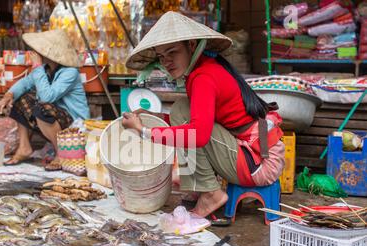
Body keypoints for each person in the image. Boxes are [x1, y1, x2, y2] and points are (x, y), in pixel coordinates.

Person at [122, 12, 285, 220]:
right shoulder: (204, 68)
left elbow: (198, 136)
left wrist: (143, 131)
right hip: (254, 152)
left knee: (185, 116)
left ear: (191, 45)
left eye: (172, 52)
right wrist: (155, 116)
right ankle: (201, 187)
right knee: (182, 109)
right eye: (162, 57)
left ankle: (210, 193)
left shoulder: (203, 78)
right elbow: (196, 119)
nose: (167, 62)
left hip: (260, 163)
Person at [0, 29, 90, 170]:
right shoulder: (46, 69)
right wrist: (8, 96)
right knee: (21, 99)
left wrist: (37, 66)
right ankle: (24, 147)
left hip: (74, 123)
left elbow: (47, 97)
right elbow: (25, 83)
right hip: (56, 117)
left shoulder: (70, 72)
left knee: (42, 108)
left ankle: (61, 154)